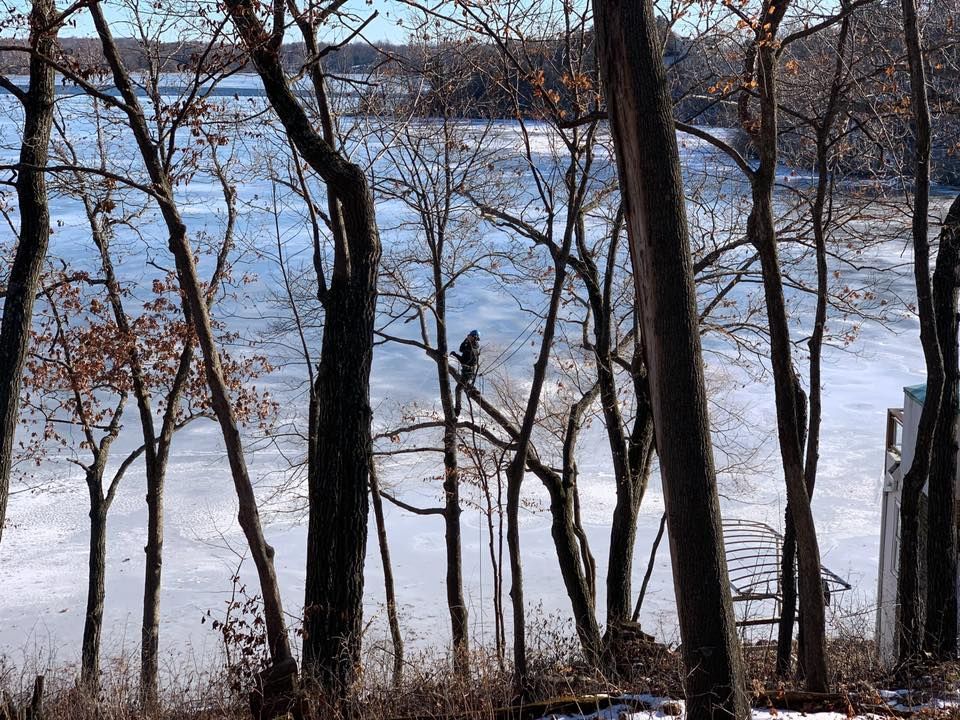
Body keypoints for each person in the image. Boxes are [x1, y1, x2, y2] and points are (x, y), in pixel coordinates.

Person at [452, 329, 480, 417]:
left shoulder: (471, 348)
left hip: (468, 371)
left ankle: (457, 409)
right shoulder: (472, 345)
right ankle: (472, 388)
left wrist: (455, 355)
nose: (468, 336)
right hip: (468, 371)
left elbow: (463, 360)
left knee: (458, 389)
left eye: (470, 336)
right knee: (465, 384)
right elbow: (461, 349)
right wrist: (466, 340)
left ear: (474, 337)